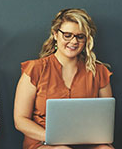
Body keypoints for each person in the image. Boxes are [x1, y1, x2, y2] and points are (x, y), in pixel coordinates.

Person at [13, 8, 113, 149]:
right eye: (67, 35)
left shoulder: (99, 71)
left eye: (80, 36)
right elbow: (20, 120)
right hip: (43, 142)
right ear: (55, 34)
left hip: (86, 142)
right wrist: (52, 137)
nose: (73, 41)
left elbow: (105, 120)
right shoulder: (36, 69)